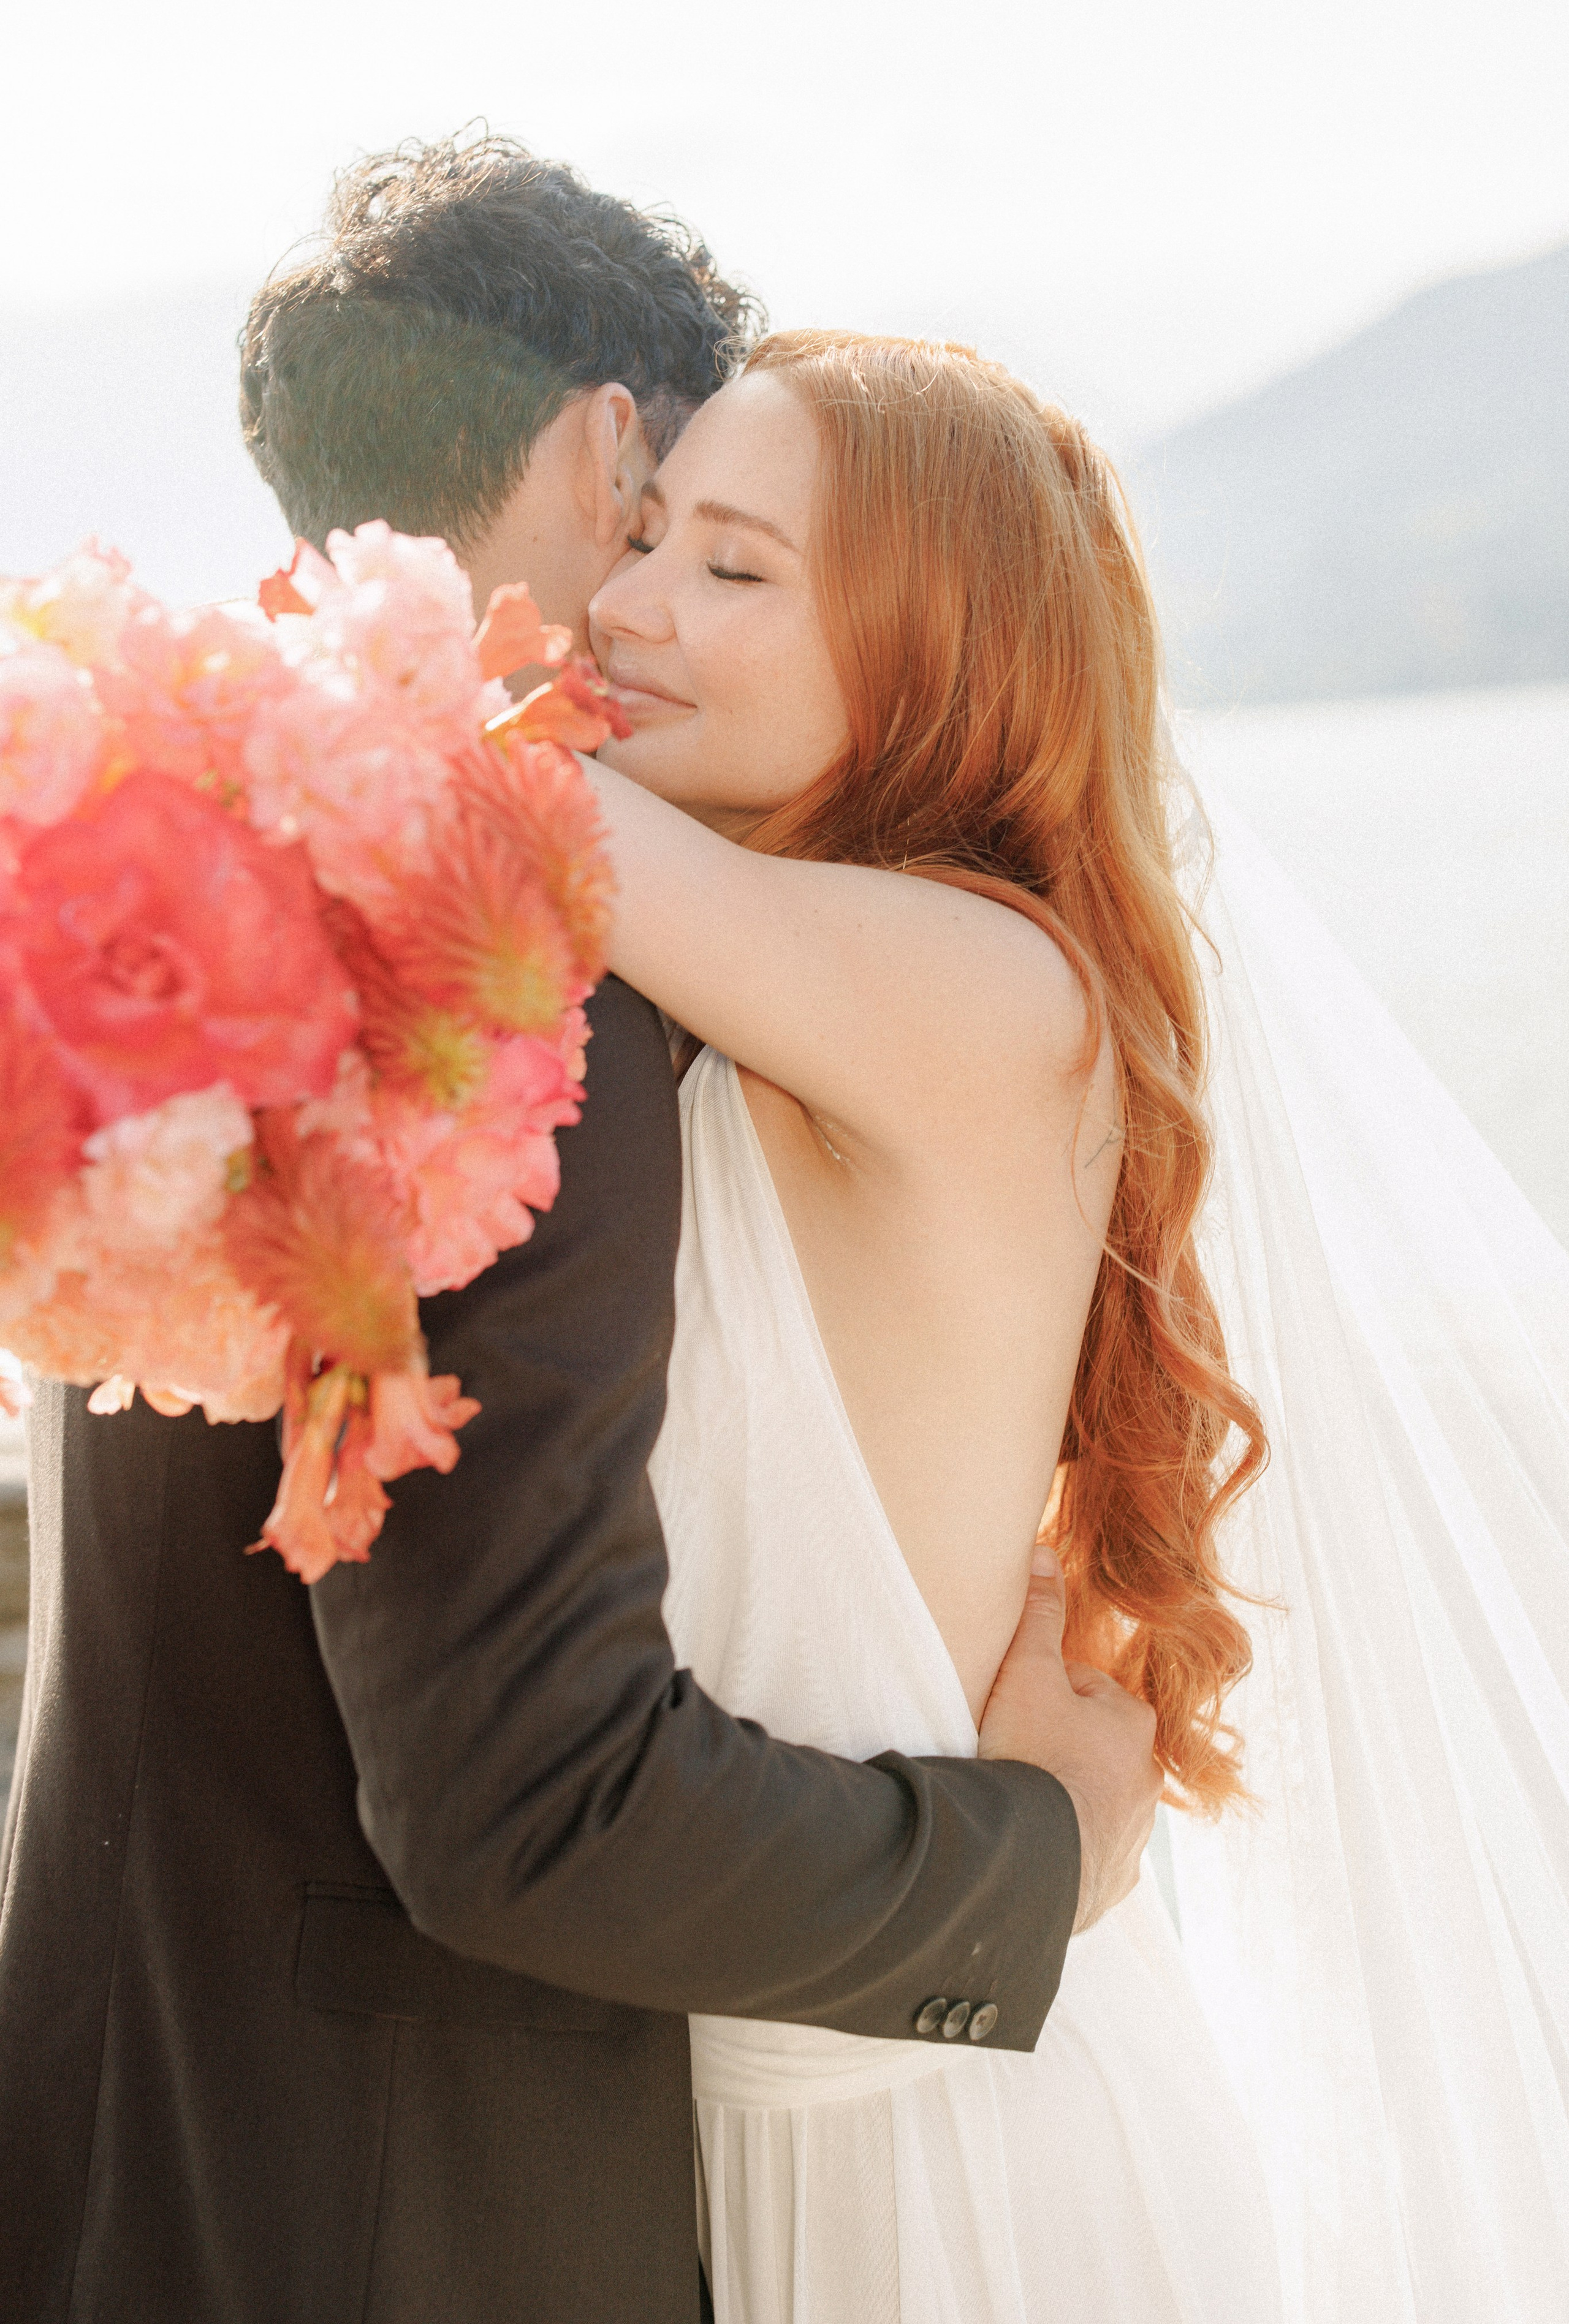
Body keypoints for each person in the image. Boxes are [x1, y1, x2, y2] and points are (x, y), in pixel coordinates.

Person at [0, 143, 1163, 2324]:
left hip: (123, 2126)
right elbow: (529, 1793)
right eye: (682, 526)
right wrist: (1046, 1856)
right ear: (614, 440)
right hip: (421, 2219)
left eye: (749, 567)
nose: (649, 603)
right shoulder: (502, 956)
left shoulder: (172, 879)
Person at [573, 331, 1286, 2318]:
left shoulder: (983, 989)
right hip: (754, 2089)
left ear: (935, 654)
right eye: (639, 538)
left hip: (943, 2164)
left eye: (731, 567)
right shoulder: (749, 982)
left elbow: (495, 799)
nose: (621, 607)